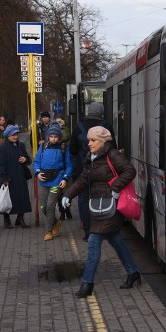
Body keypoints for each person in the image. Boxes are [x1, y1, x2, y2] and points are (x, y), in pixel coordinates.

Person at [61, 126, 139, 298]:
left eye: (93, 140)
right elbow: (83, 180)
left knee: (93, 241)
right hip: (97, 206)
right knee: (116, 240)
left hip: (110, 206)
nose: (89, 144)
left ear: (102, 141)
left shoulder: (112, 154)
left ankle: (87, 284)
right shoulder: (91, 157)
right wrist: (68, 194)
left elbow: (130, 171)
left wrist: (116, 187)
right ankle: (133, 272)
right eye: (88, 140)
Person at [69, 102, 116, 241]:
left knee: (84, 199)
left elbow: (72, 150)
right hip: (103, 171)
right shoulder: (106, 126)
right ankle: (102, 229)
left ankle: (88, 231)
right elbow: (113, 148)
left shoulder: (78, 127)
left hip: (83, 171)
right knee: (102, 198)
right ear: (101, 112)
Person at [34, 124, 73, 241]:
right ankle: (56, 222)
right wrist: (37, 172)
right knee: (43, 207)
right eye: (51, 136)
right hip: (43, 181)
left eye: (56, 136)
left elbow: (69, 165)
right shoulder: (43, 146)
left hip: (57, 180)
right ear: (48, 137)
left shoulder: (64, 148)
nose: (53, 138)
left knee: (50, 206)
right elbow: (36, 161)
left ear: (59, 137)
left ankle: (48, 231)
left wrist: (65, 178)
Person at [0, 125, 32, 229]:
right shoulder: (2, 148)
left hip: (20, 176)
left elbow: (27, 158)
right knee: (7, 199)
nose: (15, 137)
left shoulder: (21, 146)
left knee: (22, 198)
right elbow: (0, 165)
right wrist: (3, 178)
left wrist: (25, 159)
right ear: (7, 135)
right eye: (13, 135)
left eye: (16, 134)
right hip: (9, 178)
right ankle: (6, 220)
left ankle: (20, 219)